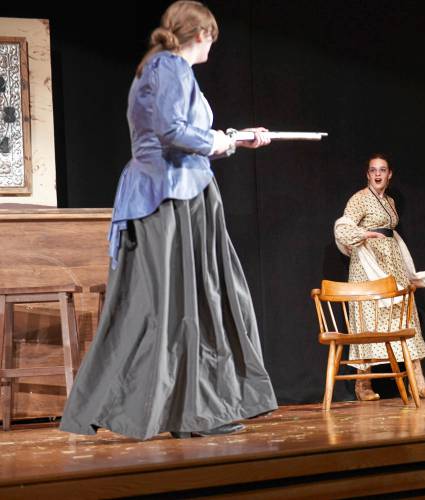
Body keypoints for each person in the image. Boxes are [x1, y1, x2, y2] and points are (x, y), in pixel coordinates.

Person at [59, 1, 277, 440]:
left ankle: (193, 412)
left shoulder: (161, 69)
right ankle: (174, 411)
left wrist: (232, 140)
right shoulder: (170, 69)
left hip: (182, 195)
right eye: (211, 39)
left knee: (187, 305)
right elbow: (172, 132)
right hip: (169, 198)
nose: (211, 47)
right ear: (202, 35)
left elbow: (179, 131)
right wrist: (221, 142)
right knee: (167, 307)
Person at [334, 154, 425, 400]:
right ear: (368, 174)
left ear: (389, 174)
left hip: (392, 264)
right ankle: (363, 386)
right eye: (373, 170)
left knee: (405, 317)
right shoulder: (359, 199)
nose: (378, 174)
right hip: (368, 266)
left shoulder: (390, 201)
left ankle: (419, 383)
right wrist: (366, 234)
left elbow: (392, 234)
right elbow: (342, 228)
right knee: (368, 321)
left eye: (382, 170)